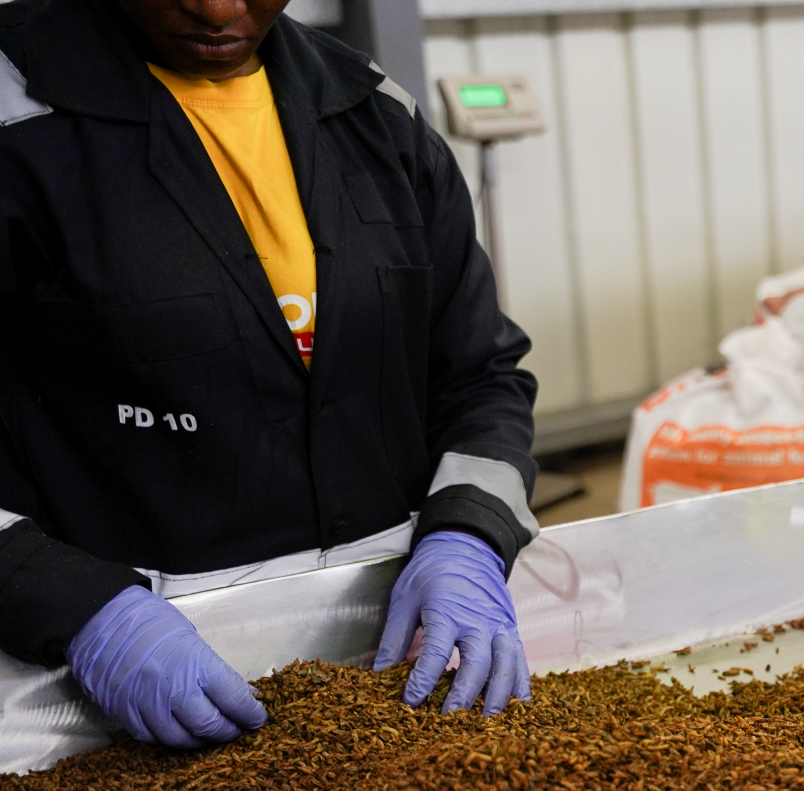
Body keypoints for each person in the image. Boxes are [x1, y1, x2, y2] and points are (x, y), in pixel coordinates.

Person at [0, 0, 538, 749]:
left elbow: (481, 375)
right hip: (89, 710)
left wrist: (470, 534)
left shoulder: (376, 114)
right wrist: (72, 605)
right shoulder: (15, 119)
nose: (218, 6)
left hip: (391, 688)